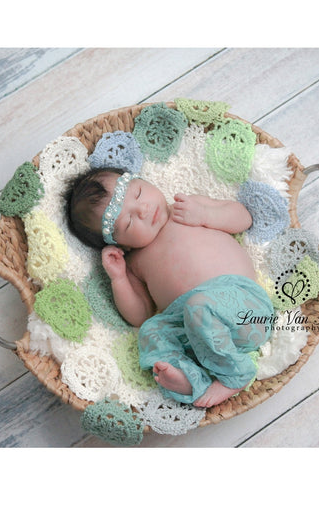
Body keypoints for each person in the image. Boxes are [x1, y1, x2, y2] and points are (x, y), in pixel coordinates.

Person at [67, 167, 272, 408]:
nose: (143, 209)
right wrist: (119, 278)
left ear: (145, 181)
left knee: (199, 306)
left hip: (244, 308)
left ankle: (235, 374)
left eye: (138, 193)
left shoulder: (186, 209)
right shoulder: (135, 262)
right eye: (129, 221)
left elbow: (243, 218)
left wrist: (205, 213)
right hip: (197, 335)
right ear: (120, 243)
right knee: (150, 333)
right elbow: (140, 315)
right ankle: (191, 380)